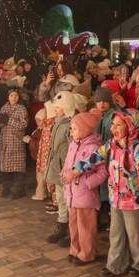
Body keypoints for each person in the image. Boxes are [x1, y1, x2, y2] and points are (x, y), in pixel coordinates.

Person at [73, 109, 139, 277]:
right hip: (115, 199)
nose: (113, 128)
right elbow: (94, 158)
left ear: (130, 126)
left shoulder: (137, 148)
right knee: (116, 233)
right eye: (113, 124)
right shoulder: (110, 145)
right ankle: (116, 264)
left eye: (119, 125)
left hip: (132, 201)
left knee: (136, 234)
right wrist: (76, 170)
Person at [60, 111, 108, 265]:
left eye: (74, 128)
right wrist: (63, 175)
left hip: (86, 196)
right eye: (71, 128)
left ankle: (87, 254)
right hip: (72, 194)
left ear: (85, 128)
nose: (71, 131)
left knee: (86, 227)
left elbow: (103, 172)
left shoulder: (94, 148)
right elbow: (67, 164)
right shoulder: (73, 144)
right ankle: (75, 250)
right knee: (73, 226)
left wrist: (88, 183)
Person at [44, 91, 87, 246]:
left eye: (58, 107)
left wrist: (70, 168)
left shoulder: (70, 124)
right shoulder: (58, 123)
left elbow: (73, 148)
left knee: (69, 200)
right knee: (61, 198)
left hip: (66, 168)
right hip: (57, 167)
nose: (56, 110)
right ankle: (62, 225)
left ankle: (72, 231)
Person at [0, 88, 28, 199]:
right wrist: (1, 121)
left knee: (18, 167)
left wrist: (8, 120)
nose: (14, 98)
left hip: (16, 141)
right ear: (8, 97)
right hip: (5, 140)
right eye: (11, 95)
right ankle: (7, 188)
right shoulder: (4, 108)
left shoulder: (21, 108)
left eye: (16, 96)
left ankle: (18, 190)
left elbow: (23, 124)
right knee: (6, 168)